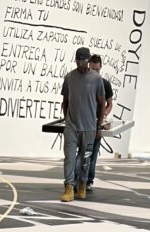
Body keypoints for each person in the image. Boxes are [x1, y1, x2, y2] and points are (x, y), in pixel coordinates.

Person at [60, 46, 105, 202]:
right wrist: (67, 120)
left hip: (89, 128)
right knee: (70, 158)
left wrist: (98, 126)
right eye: (78, 60)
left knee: (85, 161)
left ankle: (82, 185)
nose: (80, 64)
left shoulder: (96, 79)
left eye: (83, 61)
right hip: (72, 126)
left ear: (88, 60)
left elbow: (102, 103)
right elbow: (65, 101)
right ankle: (69, 187)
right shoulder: (69, 78)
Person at [86, 55, 113, 192]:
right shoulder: (84, 82)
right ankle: (78, 179)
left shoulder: (105, 84)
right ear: (89, 66)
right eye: (93, 69)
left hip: (97, 123)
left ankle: (89, 180)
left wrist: (104, 115)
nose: (95, 72)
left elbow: (109, 104)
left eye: (97, 69)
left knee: (94, 153)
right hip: (85, 122)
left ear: (101, 67)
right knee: (82, 154)